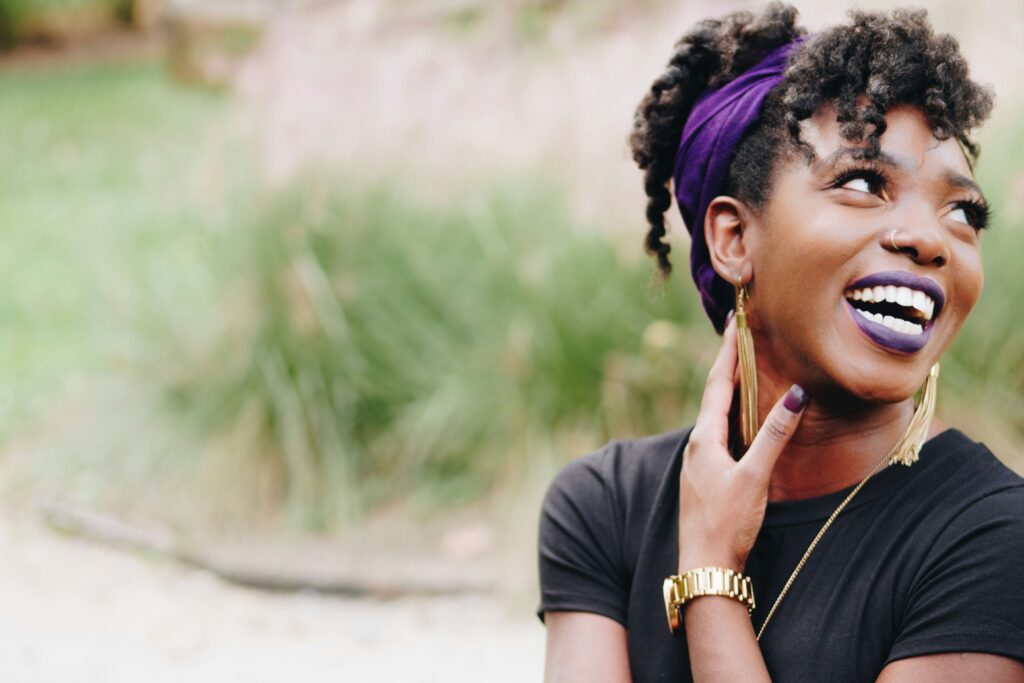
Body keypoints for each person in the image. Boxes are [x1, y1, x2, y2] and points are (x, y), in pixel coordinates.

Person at [537, 4, 1024, 682]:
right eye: (863, 182)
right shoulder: (605, 506)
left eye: (962, 211)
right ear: (735, 239)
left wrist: (710, 574)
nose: (929, 237)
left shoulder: (994, 536)